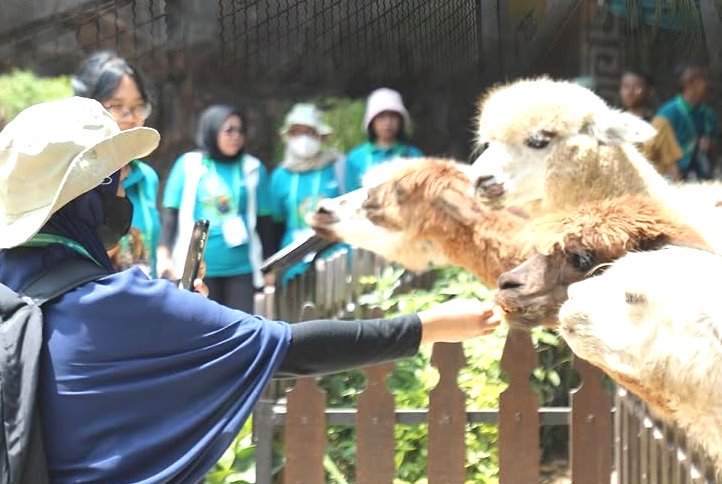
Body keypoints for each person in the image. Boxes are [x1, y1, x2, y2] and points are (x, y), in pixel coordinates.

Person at [0, 97, 501, 483]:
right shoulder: (121, 304)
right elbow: (288, 346)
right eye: (114, 187)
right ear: (88, 200)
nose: (123, 197)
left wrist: (175, 318)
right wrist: (429, 326)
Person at [158, 104, 275, 311]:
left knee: (240, 331)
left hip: (242, 268)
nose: (236, 136)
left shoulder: (253, 168)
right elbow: (171, 215)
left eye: (240, 131)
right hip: (198, 269)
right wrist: (164, 254)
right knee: (203, 329)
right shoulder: (188, 164)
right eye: (229, 130)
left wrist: (269, 266)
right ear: (212, 130)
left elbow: (265, 222)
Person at [72, 50, 162, 276]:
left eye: (138, 105)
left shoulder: (146, 177)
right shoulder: (71, 180)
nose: (131, 117)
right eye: (116, 105)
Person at [269, 103, 344, 279]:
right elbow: (275, 224)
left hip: (333, 257)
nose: (303, 138)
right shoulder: (280, 175)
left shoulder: (337, 167)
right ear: (289, 137)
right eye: (297, 132)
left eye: (309, 132)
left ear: (321, 136)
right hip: (292, 260)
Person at [344, 87, 423, 192]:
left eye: (393, 116)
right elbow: (350, 196)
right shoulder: (356, 157)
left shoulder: (414, 155)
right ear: (371, 121)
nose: (388, 122)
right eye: (381, 117)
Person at [656, 63, 719, 181]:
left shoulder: (708, 115)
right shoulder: (667, 114)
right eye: (704, 80)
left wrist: (710, 146)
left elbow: (714, 153)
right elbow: (661, 152)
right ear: (690, 83)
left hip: (701, 178)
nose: (708, 85)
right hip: (671, 179)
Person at [618, 69, 682, 180]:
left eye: (637, 87)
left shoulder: (659, 124)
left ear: (650, 91)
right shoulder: (614, 123)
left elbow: (672, 165)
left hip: (648, 191)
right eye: (625, 87)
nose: (630, 92)